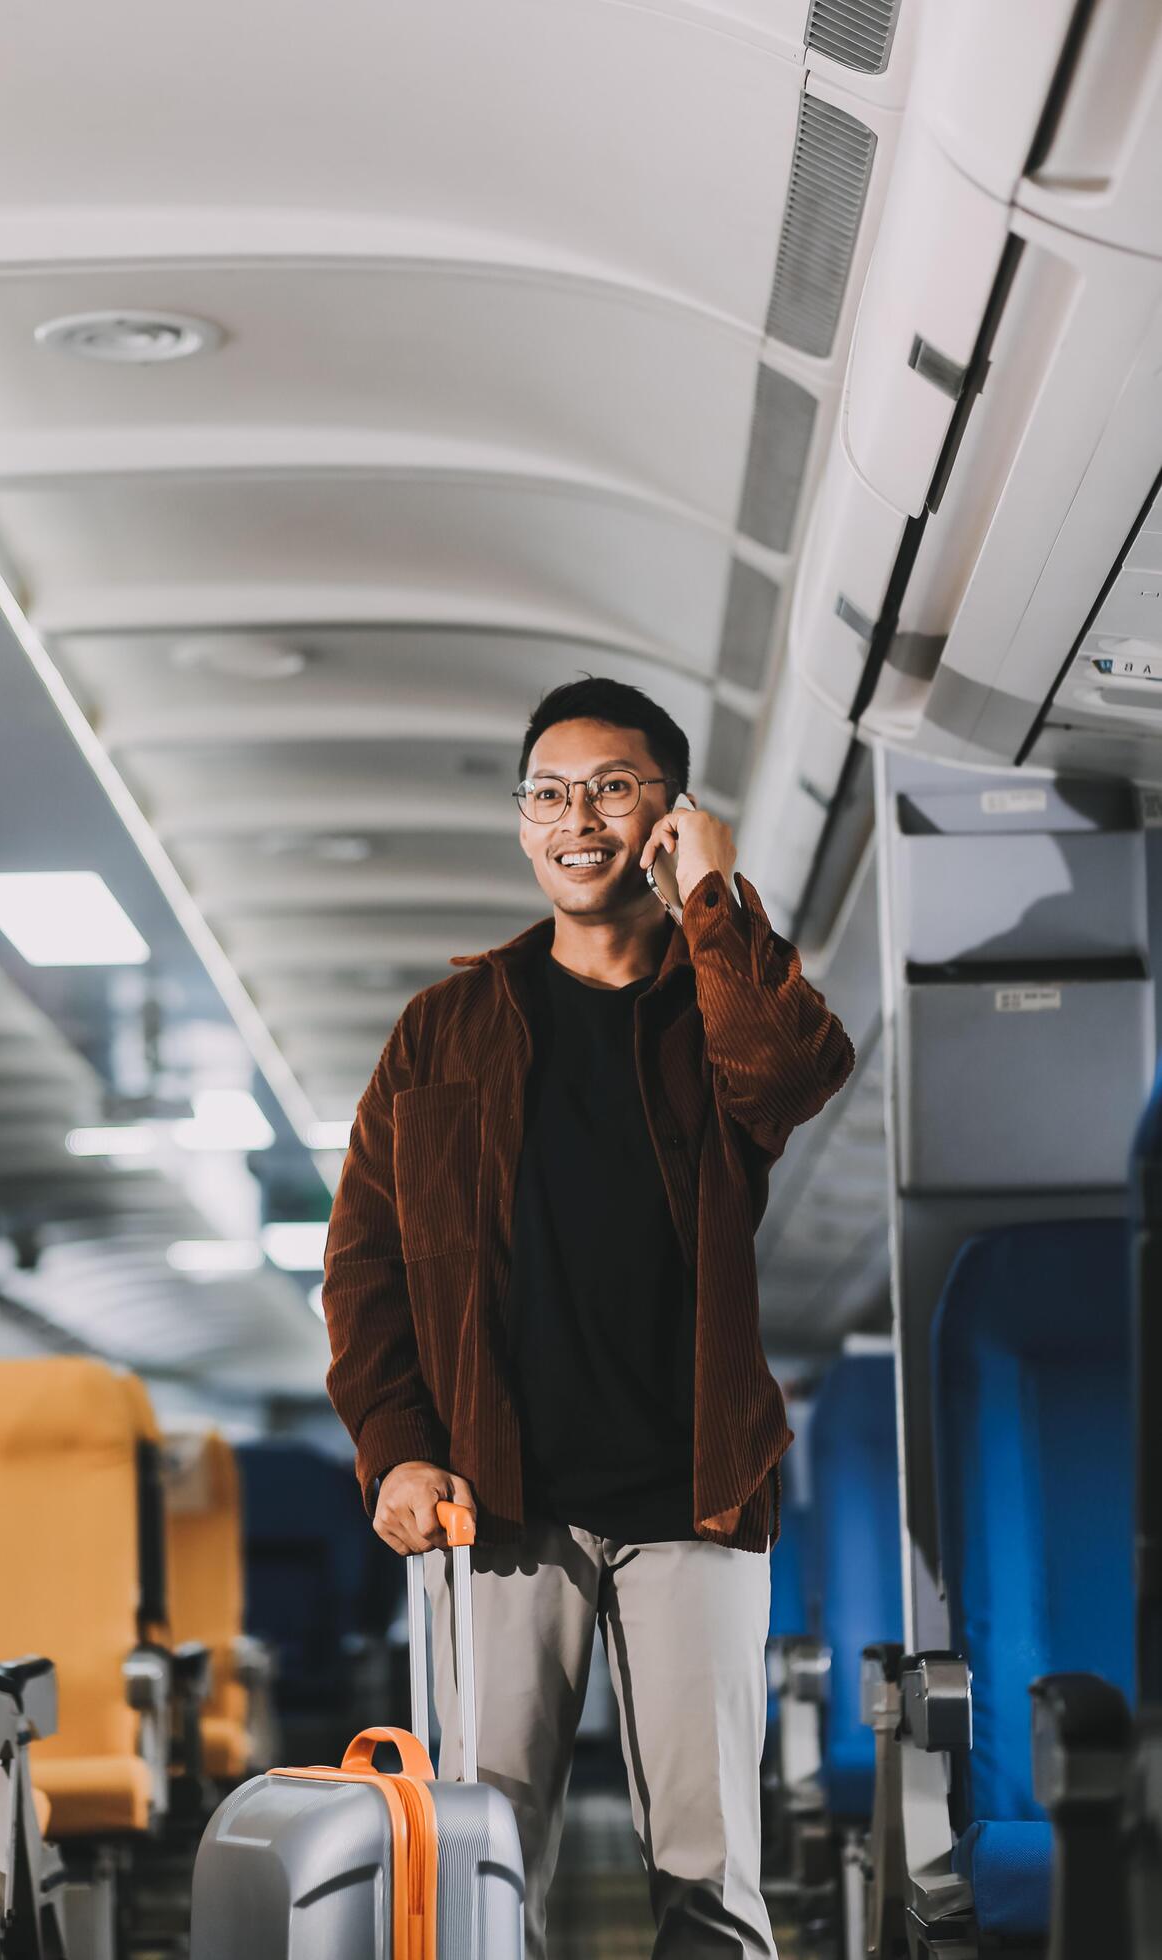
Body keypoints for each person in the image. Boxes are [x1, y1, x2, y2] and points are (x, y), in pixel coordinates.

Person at [322, 676, 856, 1957]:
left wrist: (713, 904)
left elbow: (796, 1072)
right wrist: (395, 1444)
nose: (579, 817)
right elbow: (365, 1264)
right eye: (550, 793)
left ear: (665, 814)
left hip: (695, 1494)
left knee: (710, 1872)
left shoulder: (712, 1009)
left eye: (613, 788)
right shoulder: (442, 1032)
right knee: (482, 1868)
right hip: (497, 1504)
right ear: (520, 821)